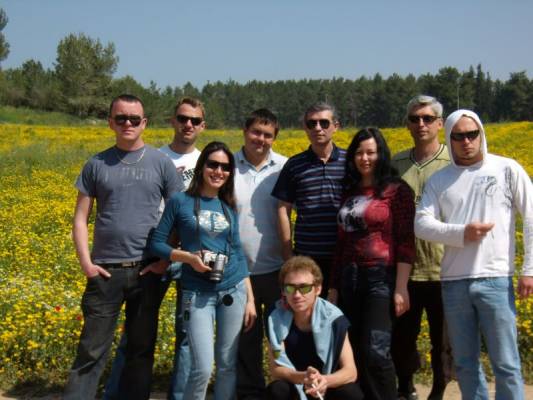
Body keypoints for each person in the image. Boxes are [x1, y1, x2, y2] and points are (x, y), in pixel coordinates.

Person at [63, 94, 180, 400]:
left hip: (147, 270)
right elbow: (80, 218)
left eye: (134, 118)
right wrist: (86, 264)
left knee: (140, 352)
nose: (128, 123)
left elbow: (178, 216)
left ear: (144, 123)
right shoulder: (96, 164)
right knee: (91, 351)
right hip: (105, 272)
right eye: (121, 118)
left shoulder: (161, 163)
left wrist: (164, 261)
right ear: (110, 123)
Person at [415, 109, 533, 400]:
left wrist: (529, 269)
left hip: (496, 279)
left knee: (506, 363)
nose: (466, 141)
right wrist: (461, 233)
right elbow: (421, 224)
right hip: (454, 283)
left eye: (472, 134)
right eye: (458, 136)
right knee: (465, 364)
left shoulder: (507, 169)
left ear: (481, 133)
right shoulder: (440, 180)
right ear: (449, 138)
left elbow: (531, 217)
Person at [103, 97, 205, 400]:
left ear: (202, 126)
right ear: (172, 121)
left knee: (187, 336)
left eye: (195, 120)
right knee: (135, 333)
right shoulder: (152, 156)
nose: (188, 125)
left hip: (193, 257)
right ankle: (117, 395)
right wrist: (163, 255)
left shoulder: (208, 161)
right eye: (182, 118)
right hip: (154, 255)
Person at [150, 141, 257, 400]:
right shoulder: (180, 201)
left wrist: (250, 299)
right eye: (213, 164)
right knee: (202, 367)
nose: (219, 171)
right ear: (202, 167)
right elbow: (157, 243)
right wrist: (188, 258)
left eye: (225, 167)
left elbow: (238, 252)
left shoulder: (228, 206)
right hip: (197, 293)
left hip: (232, 290)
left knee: (227, 365)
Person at [328, 127, 416, 400]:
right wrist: (333, 288)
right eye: (359, 152)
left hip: (381, 279)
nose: (365, 158)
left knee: (376, 351)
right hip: (349, 279)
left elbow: (406, 240)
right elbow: (341, 243)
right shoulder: (350, 191)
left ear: (381, 154)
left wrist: (401, 287)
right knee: (352, 350)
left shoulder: (396, 191)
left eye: (371, 152)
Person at [390, 95, 453, 400]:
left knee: (443, 341)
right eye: (415, 119)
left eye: (428, 118)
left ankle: (439, 389)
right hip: (406, 271)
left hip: (446, 269)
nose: (421, 124)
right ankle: (406, 387)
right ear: (407, 124)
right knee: (402, 338)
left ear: (440, 124)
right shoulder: (396, 164)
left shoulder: (454, 161)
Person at [234, 109, 288, 400]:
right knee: (246, 338)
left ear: (274, 138)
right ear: (245, 131)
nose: (261, 139)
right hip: (239, 270)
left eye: (268, 135)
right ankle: (250, 393)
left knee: (282, 336)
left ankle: (283, 389)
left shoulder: (285, 167)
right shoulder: (227, 165)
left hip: (277, 268)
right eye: (256, 132)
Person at [265, 256, 363, 400]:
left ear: (318, 289)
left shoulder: (334, 319)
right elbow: (276, 369)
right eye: (290, 288)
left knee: (351, 393)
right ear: (283, 291)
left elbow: (350, 371)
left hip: (327, 385)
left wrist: (324, 381)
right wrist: (304, 377)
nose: (297, 295)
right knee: (277, 389)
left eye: (304, 288)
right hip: (296, 383)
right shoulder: (275, 317)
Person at [272, 102, 345, 293]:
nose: (318, 128)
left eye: (324, 123)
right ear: (305, 127)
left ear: (336, 126)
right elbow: (283, 208)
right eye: (311, 123)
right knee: (307, 310)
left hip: (344, 257)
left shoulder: (350, 161)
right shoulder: (294, 165)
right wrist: (288, 255)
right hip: (307, 257)